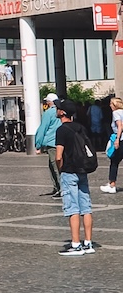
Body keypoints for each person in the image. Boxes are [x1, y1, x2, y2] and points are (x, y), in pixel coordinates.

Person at [54, 99, 98, 254]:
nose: (56, 109)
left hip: (69, 171)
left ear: (62, 113)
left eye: (58, 108)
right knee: (86, 207)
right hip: (82, 171)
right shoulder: (81, 127)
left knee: (73, 208)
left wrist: (61, 170)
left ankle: (75, 245)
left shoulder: (62, 130)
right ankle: (88, 243)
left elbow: (58, 156)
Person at [35, 95, 60, 196]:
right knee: (54, 165)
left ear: (50, 102)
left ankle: (60, 188)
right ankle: (57, 187)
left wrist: (38, 144)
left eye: (47, 101)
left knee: (55, 166)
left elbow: (43, 128)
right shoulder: (61, 111)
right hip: (61, 142)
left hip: (51, 142)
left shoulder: (48, 113)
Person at [99, 95, 123, 194]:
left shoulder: (116, 113)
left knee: (114, 162)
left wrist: (117, 139)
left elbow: (120, 126)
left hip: (121, 139)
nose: (109, 106)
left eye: (110, 103)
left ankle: (112, 184)